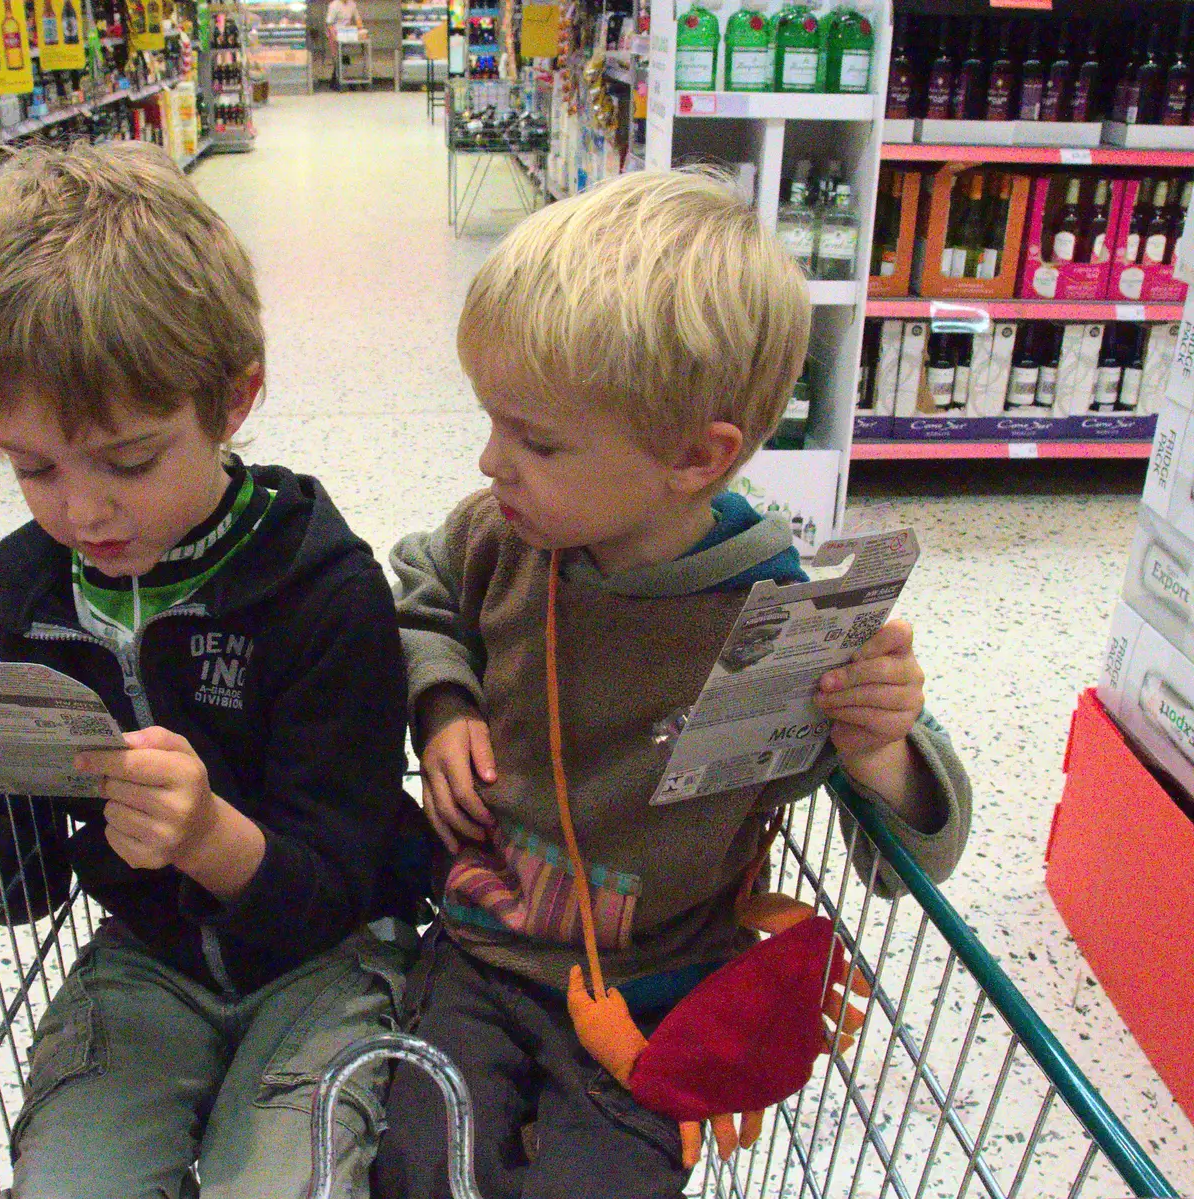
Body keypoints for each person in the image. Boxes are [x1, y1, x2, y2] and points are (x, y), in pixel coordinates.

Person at [371, 168, 974, 1199]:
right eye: (492, 422)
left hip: (657, 987)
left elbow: (922, 845)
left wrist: (878, 740)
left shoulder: (775, 621)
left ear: (696, 457)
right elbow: (418, 582)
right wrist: (444, 698)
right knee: (411, 1164)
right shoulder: (502, 536)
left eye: (536, 440)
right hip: (478, 952)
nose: (489, 460)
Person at [0, 141, 415, 1199]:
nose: (82, 509)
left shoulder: (324, 593)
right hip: (144, 964)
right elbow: (29, 876)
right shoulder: (14, 613)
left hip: (327, 964)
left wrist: (214, 839)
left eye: (128, 459)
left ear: (233, 399)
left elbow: (354, 867)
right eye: (33, 466)